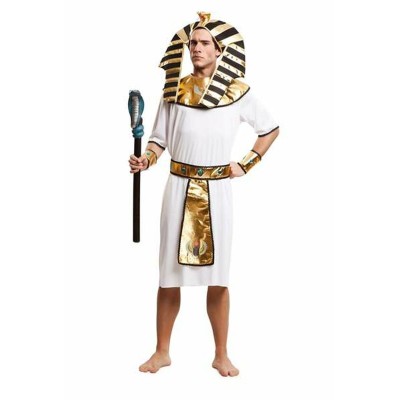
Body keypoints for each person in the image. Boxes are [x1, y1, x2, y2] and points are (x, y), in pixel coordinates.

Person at [128, 12, 279, 377]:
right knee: (168, 276)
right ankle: (162, 351)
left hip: (217, 191)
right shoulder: (174, 91)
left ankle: (221, 354)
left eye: (204, 43)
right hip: (178, 189)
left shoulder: (237, 91)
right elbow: (159, 139)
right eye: (192, 43)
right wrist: (147, 159)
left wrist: (246, 164)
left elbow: (270, 129)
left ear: (219, 50)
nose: (196, 48)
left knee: (219, 277)